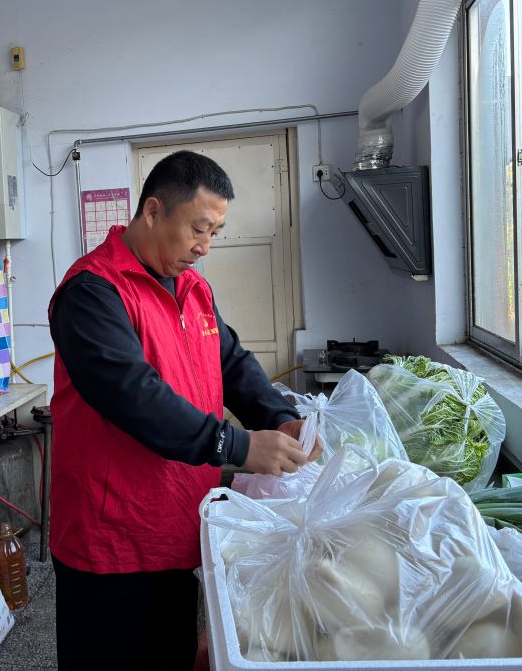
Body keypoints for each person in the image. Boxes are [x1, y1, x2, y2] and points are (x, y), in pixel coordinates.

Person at [48, 150, 323, 671]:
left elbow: (231, 362)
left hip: (178, 521)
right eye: (198, 229)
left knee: (169, 653)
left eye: (215, 232)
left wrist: (279, 417)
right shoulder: (92, 293)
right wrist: (239, 446)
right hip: (111, 538)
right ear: (153, 211)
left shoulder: (193, 288)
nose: (205, 246)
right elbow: (134, 396)